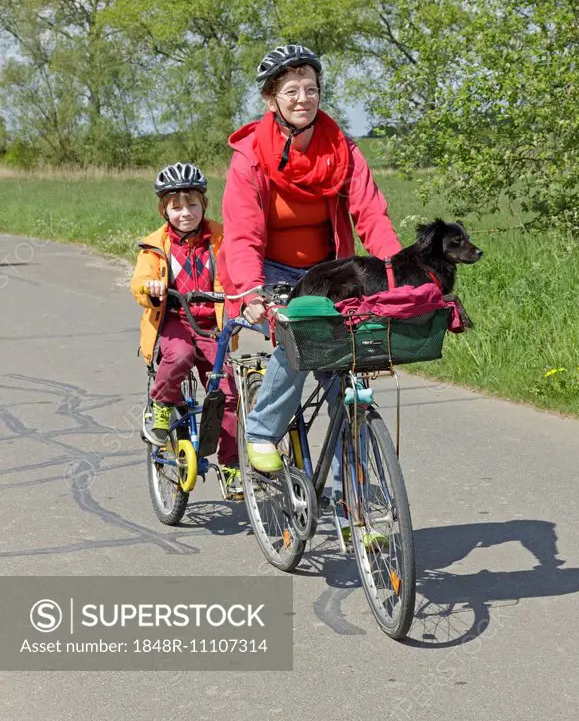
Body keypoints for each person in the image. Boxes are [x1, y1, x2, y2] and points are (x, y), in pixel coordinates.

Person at [218, 44, 401, 479]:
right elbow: (242, 233)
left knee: (349, 376)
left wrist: (399, 274)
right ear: (271, 100)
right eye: (292, 91)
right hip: (269, 274)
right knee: (298, 339)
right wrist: (249, 292)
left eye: (311, 89)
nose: (304, 99)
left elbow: (372, 216)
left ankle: (353, 506)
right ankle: (262, 431)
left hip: (328, 273)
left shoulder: (342, 150)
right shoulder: (250, 157)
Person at [130, 162, 241, 494]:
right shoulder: (155, 247)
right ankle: (162, 407)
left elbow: (238, 272)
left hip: (212, 325)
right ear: (164, 209)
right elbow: (139, 283)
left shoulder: (221, 238)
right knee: (178, 356)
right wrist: (150, 288)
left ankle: (232, 465)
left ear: (204, 204)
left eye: (192, 204)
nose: (185, 213)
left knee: (228, 395)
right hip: (175, 320)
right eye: (176, 207)